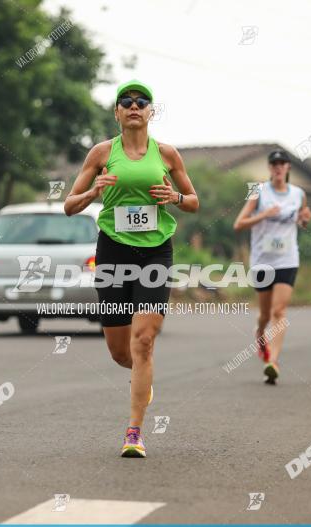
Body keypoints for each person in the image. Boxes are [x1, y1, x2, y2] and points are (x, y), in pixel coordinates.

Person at [64, 80, 199, 457]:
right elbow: (69, 205)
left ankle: (134, 432)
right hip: (112, 253)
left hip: (156, 253)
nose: (134, 106)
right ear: (118, 112)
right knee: (120, 353)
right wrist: (93, 193)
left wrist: (174, 196)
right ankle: (144, 379)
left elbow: (193, 201)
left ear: (151, 112)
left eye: (142, 101)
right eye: (127, 101)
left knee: (143, 342)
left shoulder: (168, 154)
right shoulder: (102, 153)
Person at [233, 148, 311, 384]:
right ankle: (260, 333)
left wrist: (305, 220)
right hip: (262, 260)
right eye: (274, 164)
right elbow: (239, 223)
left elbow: (303, 220)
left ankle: (273, 362)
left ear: (288, 167)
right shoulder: (259, 192)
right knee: (265, 314)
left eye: (282, 163)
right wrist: (264, 214)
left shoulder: (298, 194)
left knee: (279, 312)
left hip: (287, 258)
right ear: (270, 168)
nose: (278, 167)